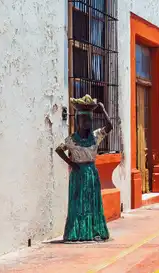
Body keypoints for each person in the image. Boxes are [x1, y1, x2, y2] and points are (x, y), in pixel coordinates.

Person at [54, 99, 113, 243]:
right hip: (78, 174)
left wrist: (103, 109)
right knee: (78, 203)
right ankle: (77, 232)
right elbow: (59, 149)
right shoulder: (72, 139)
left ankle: (93, 231)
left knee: (92, 203)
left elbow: (110, 126)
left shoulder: (95, 136)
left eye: (89, 120)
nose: (87, 123)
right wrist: (70, 163)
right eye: (84, 119)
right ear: (79, 120)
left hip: (91, 173)